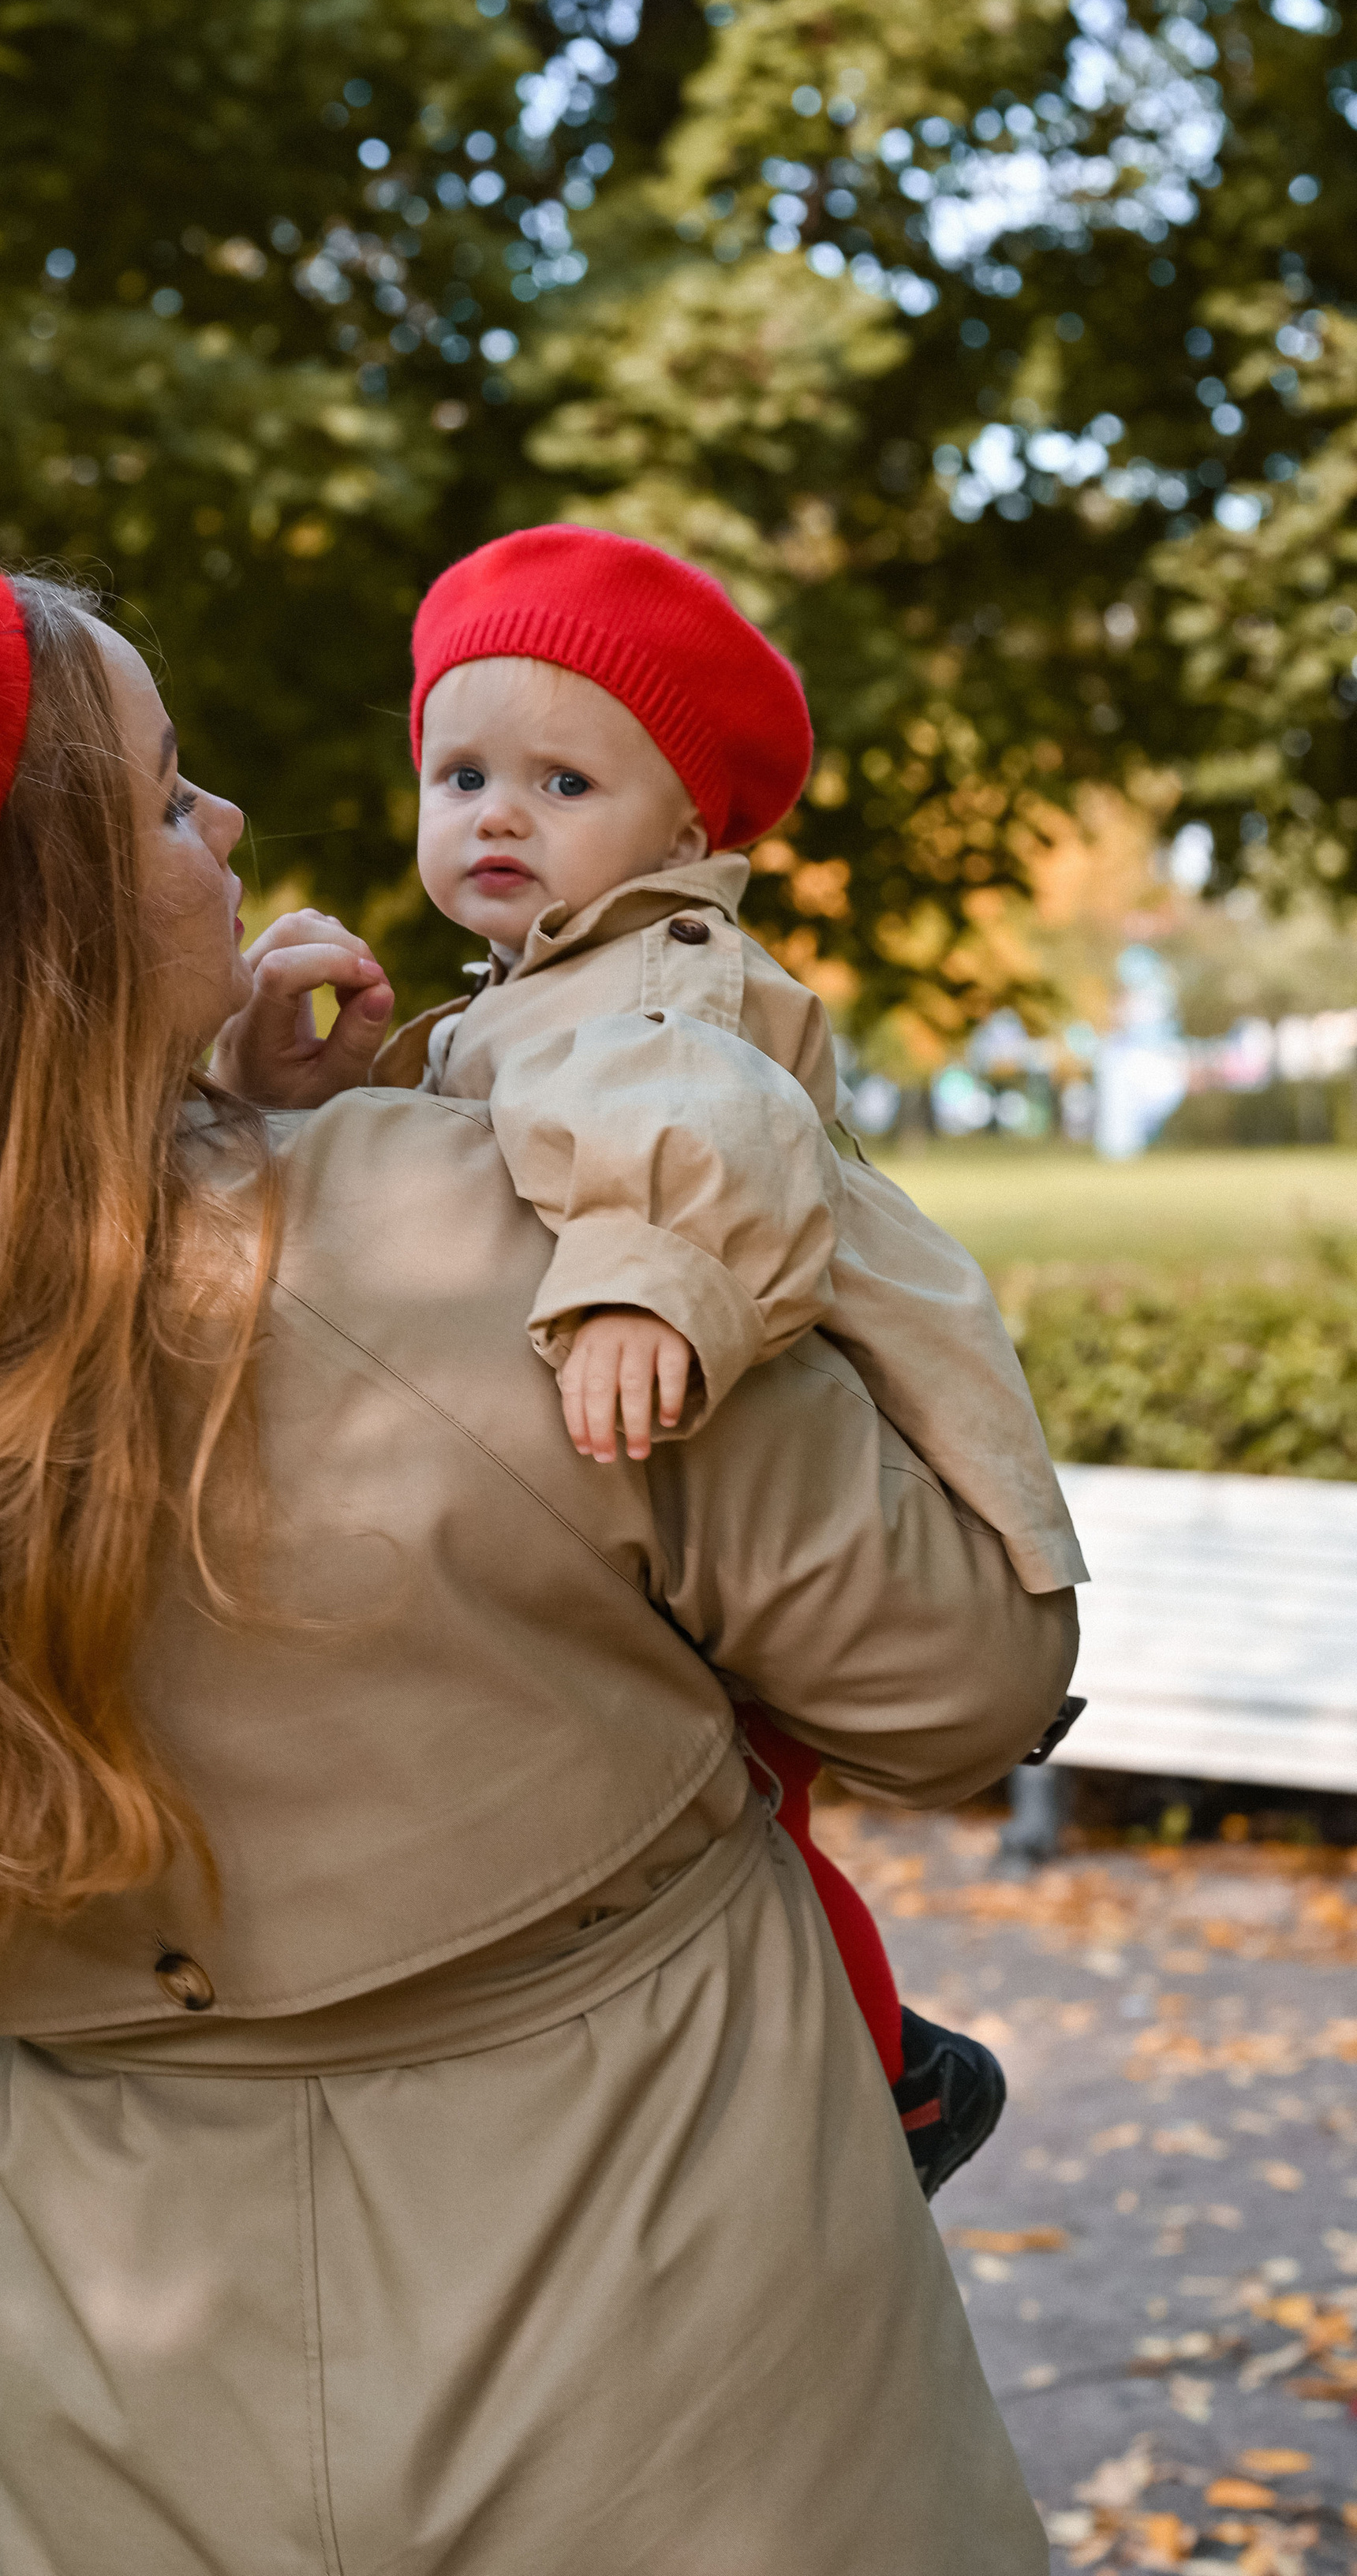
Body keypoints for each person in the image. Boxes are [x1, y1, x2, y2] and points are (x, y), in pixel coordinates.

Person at [0, 550, 1077, 2575]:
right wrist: (747, 1152)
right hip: (678, 2355)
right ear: (65, 919)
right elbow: (959, 1676)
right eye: (174, 800)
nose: (231, 826)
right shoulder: (489, 1238)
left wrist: (208, 1107)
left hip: (102, 2386)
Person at [385, 521, 1089, 2183]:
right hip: (657, 1518)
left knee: (732, 1810)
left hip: (777, 1452)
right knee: (710, 1800)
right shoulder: (530, 984)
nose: (496, 811)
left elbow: (703, 1137)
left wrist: (643, 1285)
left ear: (686, 828)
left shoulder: (668, 977)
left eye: (563, 784)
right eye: (461, 772)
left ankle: (889, 2081)